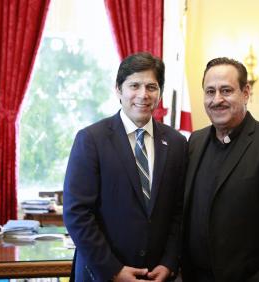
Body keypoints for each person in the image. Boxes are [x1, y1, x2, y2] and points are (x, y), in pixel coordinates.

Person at [182, 57, 259, 282]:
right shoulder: (195, 141)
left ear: (246, 92)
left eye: (226, 90)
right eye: (210, 91)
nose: (217, 99)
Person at [63, 52, 188, 282]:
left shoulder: (177, 143)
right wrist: (113, 270)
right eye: (135, 85)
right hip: (102, 274)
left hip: (157, 275)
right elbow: (77, 213)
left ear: (159, 92)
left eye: (151, 86)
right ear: (119, 89)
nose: (143, 95)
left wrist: (169, 263)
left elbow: (179, 212)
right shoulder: (91, 139)